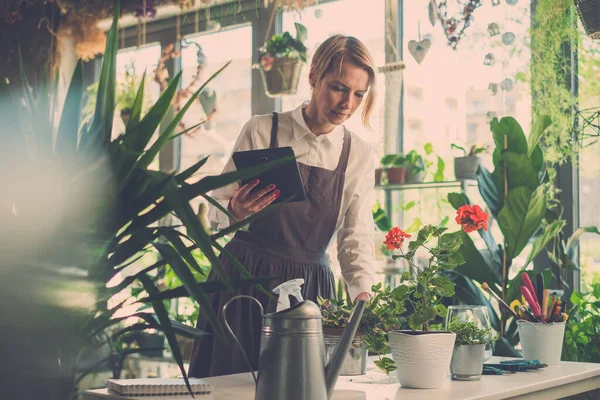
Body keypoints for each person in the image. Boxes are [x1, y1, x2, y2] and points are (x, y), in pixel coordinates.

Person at [189, 34, 377, 378]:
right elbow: (216, 207)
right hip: (244, 278)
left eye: (358, 94)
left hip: (312, 292)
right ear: (312, 76)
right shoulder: (263, 130)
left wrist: (362, 292)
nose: (347, 103)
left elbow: (356, 237)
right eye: (338, 87)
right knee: (229, 386)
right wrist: (236, 210)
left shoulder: (360, 155)